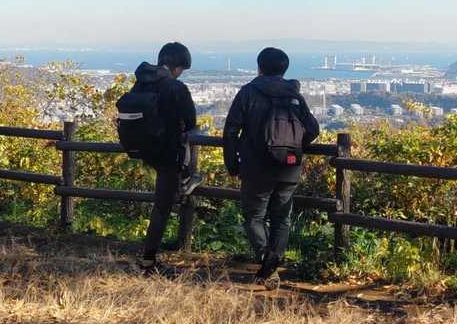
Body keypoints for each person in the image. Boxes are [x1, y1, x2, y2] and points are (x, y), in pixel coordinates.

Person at [223, 46, 320, 281]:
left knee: (253, 217)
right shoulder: (294, 95)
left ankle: (267, 259)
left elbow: (231, 131)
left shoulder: (248, 92)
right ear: (284, 69)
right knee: (282, 218)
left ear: (259, 67)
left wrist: (232, 163)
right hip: (289, 166)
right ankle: (273, 262)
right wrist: (293, 145)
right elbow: (313, 129)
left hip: (256, 166)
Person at [117, 41, 203, 273]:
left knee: (164, 201)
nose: (181, 73)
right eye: (182, 69)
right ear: (177, 66)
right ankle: (148, 260)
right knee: (162, 208)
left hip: (145, 148)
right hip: (168, 153)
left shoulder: (141, 83)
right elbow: (191, 122)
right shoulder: (175, 87)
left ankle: (184, 181)